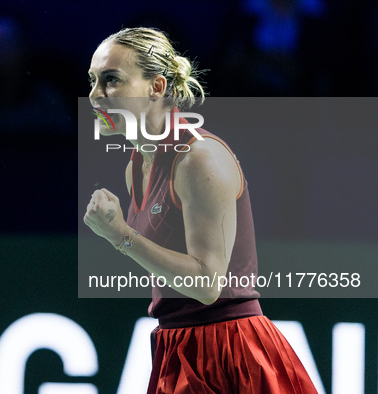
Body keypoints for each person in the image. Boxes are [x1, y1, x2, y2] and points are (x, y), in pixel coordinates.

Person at [83, 27, 317, 393]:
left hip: (231, 354)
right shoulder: (135, 167)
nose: (95, 95)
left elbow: (207, 284)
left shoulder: (199, 157)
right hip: (176, 348)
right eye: (93, 81)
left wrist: (120, 235)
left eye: (111, 80)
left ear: (156, 88)